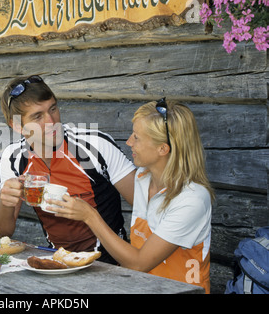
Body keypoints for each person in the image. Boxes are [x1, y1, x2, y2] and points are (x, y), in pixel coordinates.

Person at [47, 98, 214, 293]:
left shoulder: (192, 199)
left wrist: (89, 216)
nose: (129, 142)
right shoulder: (142, 178)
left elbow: (139, 264)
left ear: (163, 149)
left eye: (137, 137)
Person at [0, 75, 136, 264]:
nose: (52, 121)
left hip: (111, 265)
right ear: (17, 125)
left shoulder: (94, 145)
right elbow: (1, 232)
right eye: (37, 116)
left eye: (53, 108)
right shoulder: (13, 157)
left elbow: (146, 207)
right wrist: (5, 201)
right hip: (58, 262)